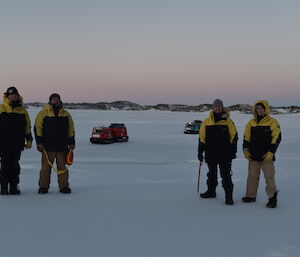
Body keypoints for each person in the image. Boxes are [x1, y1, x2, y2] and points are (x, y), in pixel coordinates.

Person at [198, 99, 238, 205]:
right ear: (213, 107)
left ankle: (229, 197)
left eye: (219, 106)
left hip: (225, 154)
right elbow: (202, 138)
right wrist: (200, 152)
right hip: (210, 153)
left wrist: (232, 152)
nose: (218, 108)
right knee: (211, 174)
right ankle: (211, 192)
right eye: (216, 106)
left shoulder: (228, 121)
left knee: (226, 176)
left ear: (222, 107)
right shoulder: (206, 122)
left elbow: (234, 137)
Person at [242, 100, 281, 208]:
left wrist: (271, 152)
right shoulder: (251, 123)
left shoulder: (272, 122)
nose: (259, 110)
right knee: (252, 176)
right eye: (257, 108)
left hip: (267, 156)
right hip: (253, 155)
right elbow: (246, 137)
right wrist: (245, 150)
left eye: (261, 108)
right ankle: (250, 195)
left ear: (265, 109)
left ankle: (272, 197)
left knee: (269, 177)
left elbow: (277, 137)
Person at [34, 93, 75, 194]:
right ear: (50, 100)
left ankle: (64, 187)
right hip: (47, 147)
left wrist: (71, 142)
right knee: (45, 169)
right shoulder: (43, 113)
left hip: (62, 147)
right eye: (53, 99)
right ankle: (43, 187)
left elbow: (71, 129)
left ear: (60, 100)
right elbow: (37, 128)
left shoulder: (66, 114)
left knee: (62, 168)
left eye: (57, 99)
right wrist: (39, 142)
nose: (55, 101)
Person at [0, 87, 33, 195]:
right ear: (7, 96)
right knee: (4, 166)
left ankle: (13, 187)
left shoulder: (22, 110)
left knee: (14, 166)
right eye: (11, 95)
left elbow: (27, 126)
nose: (13, 96)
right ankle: (4, 187)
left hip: (17, 143)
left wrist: (29, 139)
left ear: (17, 96)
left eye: (15, 94)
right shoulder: (1, 108)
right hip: (3, 144)